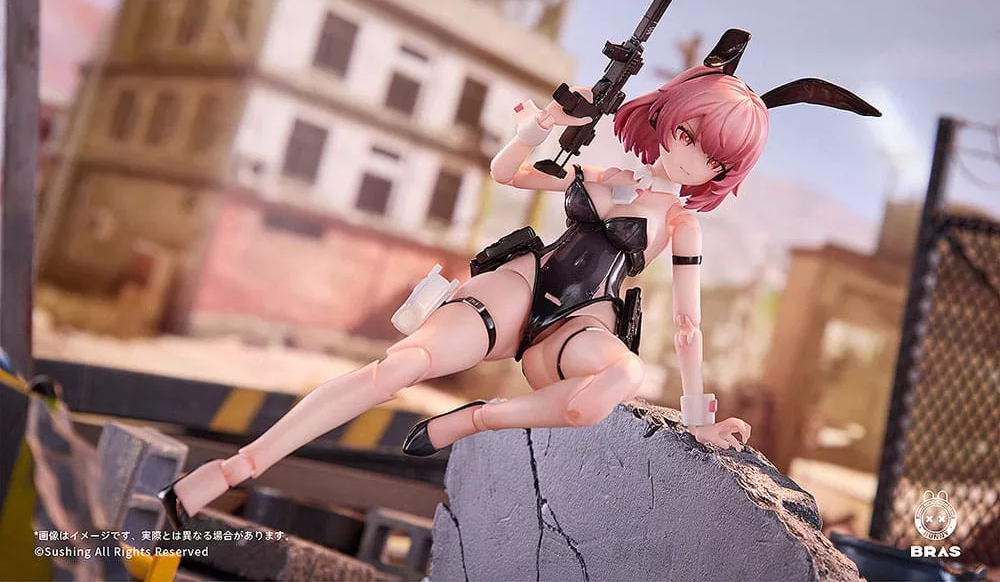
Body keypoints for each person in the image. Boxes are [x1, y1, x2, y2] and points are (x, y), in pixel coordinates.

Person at [159, 29, 879, 526]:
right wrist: (549, 119)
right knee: (396, 367)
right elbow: (506, 170)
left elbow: (689, 326)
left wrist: (696, 417)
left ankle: (472, 420)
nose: (689, 155)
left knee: (621, 379)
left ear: (723, 172)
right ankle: (230, 471)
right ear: (669, 117)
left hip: (580, 326)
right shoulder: (605, 172)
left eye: (711, 156)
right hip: (521, 284)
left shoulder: (683, 224)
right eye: (687, 133)